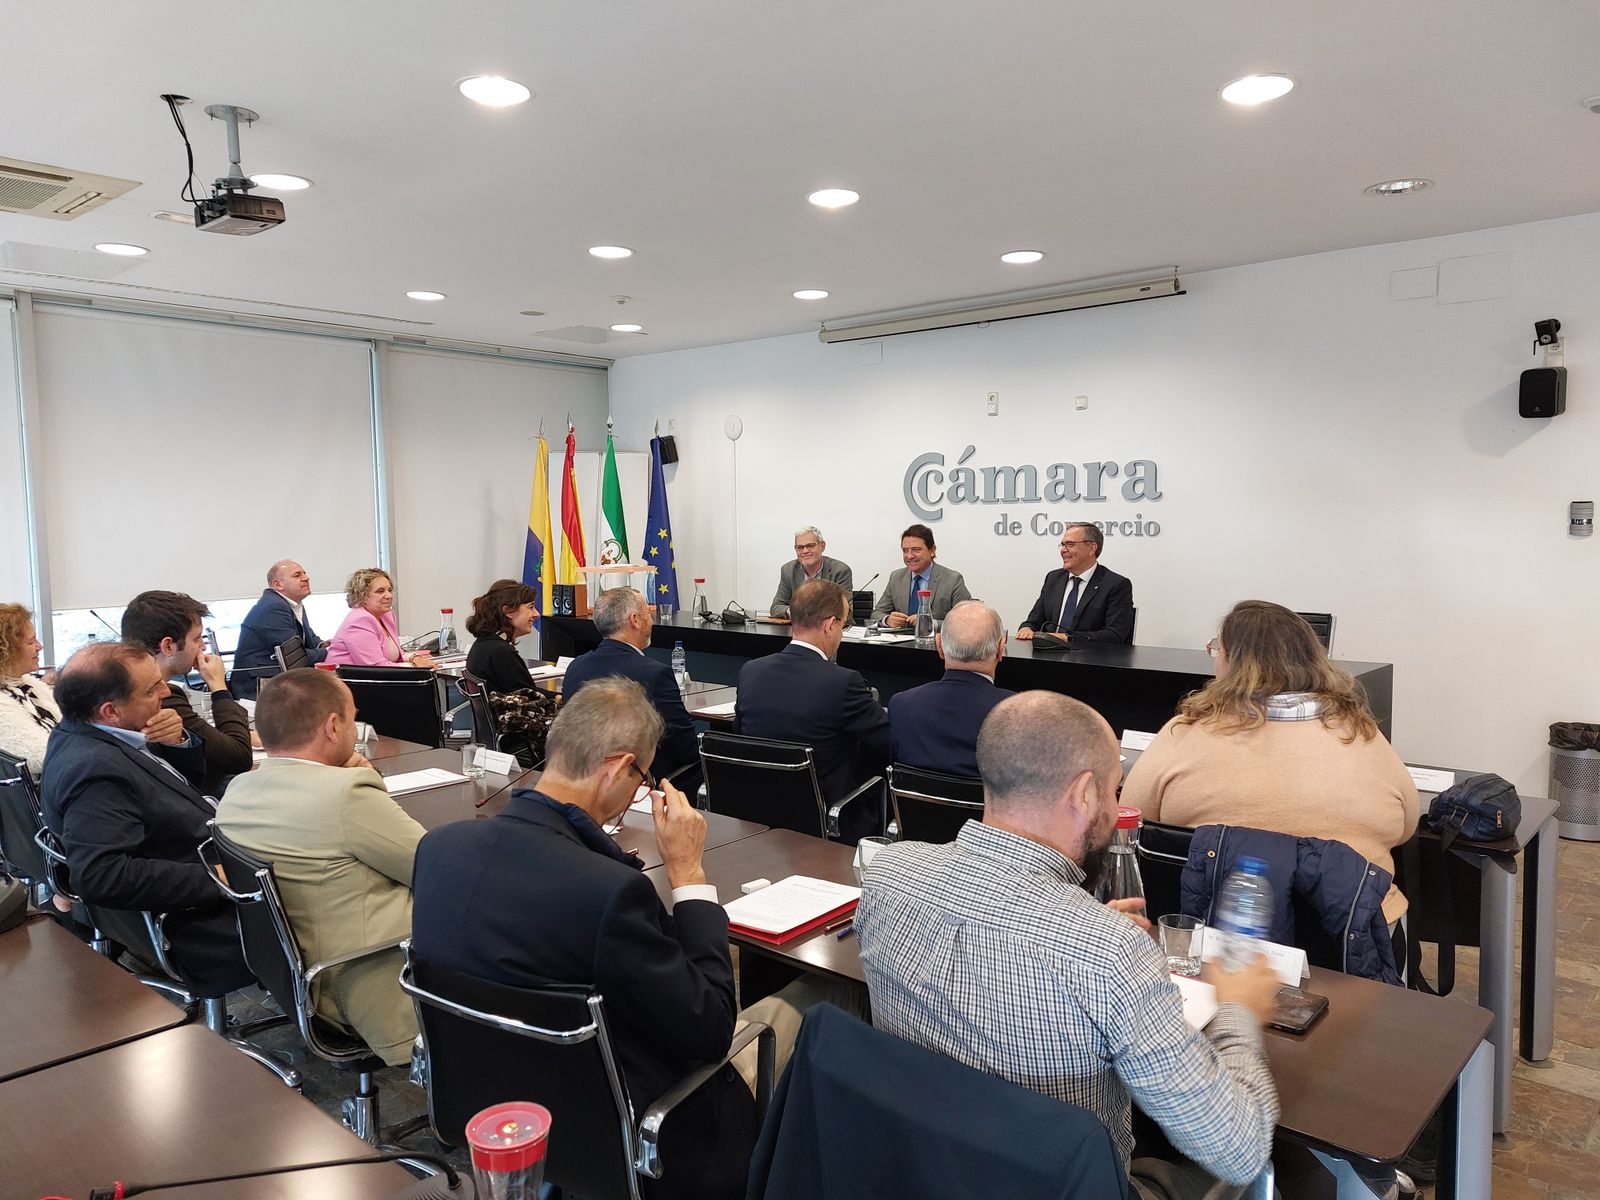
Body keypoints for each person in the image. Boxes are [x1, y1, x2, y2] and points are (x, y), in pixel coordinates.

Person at [856, 691, 1280, 1199]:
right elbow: (1238, 1149)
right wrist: (1239, 1010)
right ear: (1083, 795)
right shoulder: (1110, 951)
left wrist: (1080, 925)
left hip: (922, 1172)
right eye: (1113, 789)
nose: (1116, 805)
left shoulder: (887, 877)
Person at [410, 678, 752, 1200]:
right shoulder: (610, 893)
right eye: (641, 776)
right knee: (795, 1015)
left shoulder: (438, 849)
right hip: (620, 1132)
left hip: (489, 1104)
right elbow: (710, 1028)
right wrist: (687, 875)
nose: (638, 789)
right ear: (616, 766)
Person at [1122, 600, 1420, 927]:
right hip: (1359, 937)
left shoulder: (1186, 732)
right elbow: (1406, 827)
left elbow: (1129, 821)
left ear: (1232, 661)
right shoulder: (1361, 733)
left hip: (1213, 933)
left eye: (1216, 650)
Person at [215, 668, 423, 1066]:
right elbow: (432, 870)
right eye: (351, 717)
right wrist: (365, 779)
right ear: (332, 726)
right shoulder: (346, 793)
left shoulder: (237, 790)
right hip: (376, 983)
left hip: (301, 981)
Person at [41, 643, 255, 995]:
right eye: (152, 688)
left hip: (203, 861)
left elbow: (166, 792)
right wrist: (217, 876)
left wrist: (179, 741)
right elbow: (102, 875)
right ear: (110, 711)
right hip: (202, 924)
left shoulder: (83, 734)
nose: (166, 692)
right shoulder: (97, 772)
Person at [735, 579, 891, 841]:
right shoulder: (843, 682)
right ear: (830, 625)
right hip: (831, 820)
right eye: (843, 625)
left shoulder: (750, 671)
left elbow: (740, 735)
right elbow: (889, 741)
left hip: (759, 817)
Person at [561, 587, 698, 786]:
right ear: (634, 620)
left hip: (584, 779)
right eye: (648, 615)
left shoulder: (576, 666)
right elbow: (686, 748)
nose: (651, 621)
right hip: (641, 785)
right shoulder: (655, 674)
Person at [121, 590, 253, 796]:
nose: (202, 646)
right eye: (197, 639)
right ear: (168, 646)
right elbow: (238, 758)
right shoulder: (161, 699)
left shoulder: (123, 691)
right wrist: (219, 687)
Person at [887, 601, 1014, 777]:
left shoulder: (901, 704)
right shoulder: (1019, 713)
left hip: (913, 805)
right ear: (1001, 649)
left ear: (939, 646)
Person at [1017, 522, 1135, 644]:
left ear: (1091, 548)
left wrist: (1067, 637)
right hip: (1048, 656)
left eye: (1070, 544)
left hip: (1090, 659)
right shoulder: (1054, 578)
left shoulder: (1116, 585)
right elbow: (1034, 621)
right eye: (1062, 544)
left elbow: (1115, 634)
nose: (1063, 550)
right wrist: (1026, 628)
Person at [231, 560, 329, 699]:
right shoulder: (274, 607)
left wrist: (323, 645)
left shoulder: (290, 602)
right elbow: (295, 657)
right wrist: (329, 652)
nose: (306, 578)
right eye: (297, 575)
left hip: (279, 675)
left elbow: (309, 638)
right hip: (260, 683)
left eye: (304, 573)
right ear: (278, 585)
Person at [324, 569, 434, 668]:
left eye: (389, 590)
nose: (389, 596)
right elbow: (376, 667)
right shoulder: (359, 621)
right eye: (380, 591)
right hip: (349, 685)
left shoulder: (387, 615)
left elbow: (397, 655)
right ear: (363, 596)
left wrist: (414, 658)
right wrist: (414, 666)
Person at [870, 523, 972, 629]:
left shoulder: (952, 580)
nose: (909, 556)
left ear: (932, 550)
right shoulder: (896, 578)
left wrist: (931, 623)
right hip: (900, 643)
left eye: (916, 550)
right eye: (905, 550)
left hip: (935, 643)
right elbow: (877, 613)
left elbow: (967, 620)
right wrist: (887, 620)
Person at [0, 603, 60, 775]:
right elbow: (42, 757)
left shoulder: (28, 685)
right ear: (6, 650)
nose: (39, 646)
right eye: (31, 641)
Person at [463, 578, 540, 694]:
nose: (536, 614)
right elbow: (529, 698)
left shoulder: (484, 645)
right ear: (508, 611)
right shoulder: (501, 653)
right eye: (531, 607)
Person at [770, 526, 853, 618]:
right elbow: (776, 607)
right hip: (800, 630)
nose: (805, 551)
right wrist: (794, 612)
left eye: (810, 546)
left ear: (822, 546)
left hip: (830, 630)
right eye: (800, 547)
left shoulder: (840, 571)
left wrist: (807, 613)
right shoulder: (788, 570)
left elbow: (846, 611)